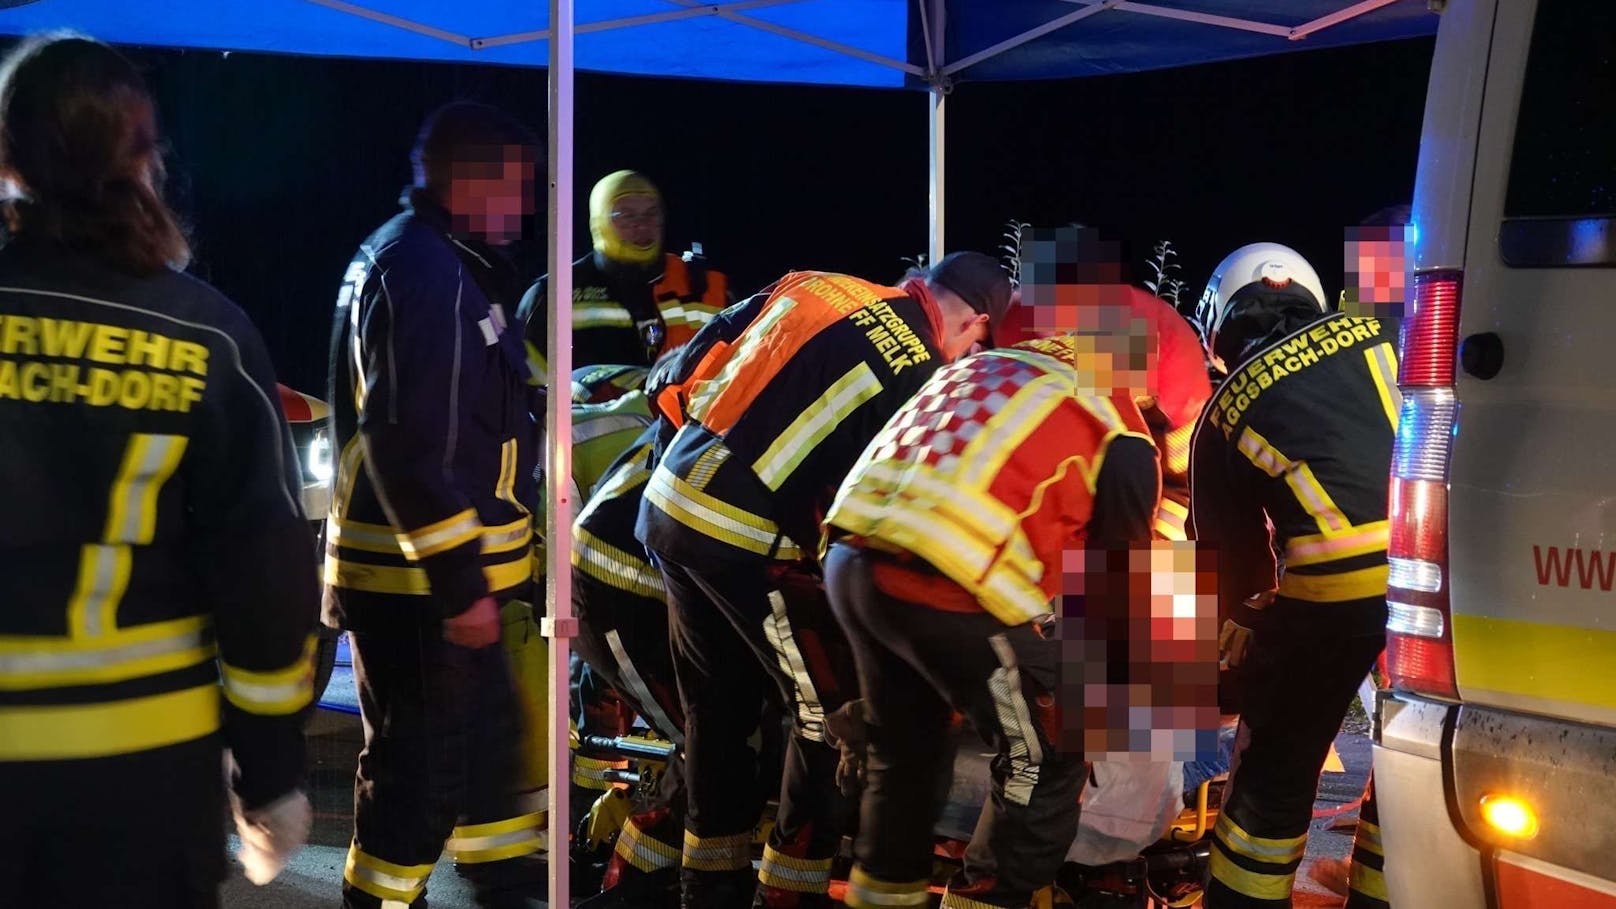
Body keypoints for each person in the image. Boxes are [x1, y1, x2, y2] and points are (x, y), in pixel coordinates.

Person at [0, 33, 317, 908]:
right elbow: (265, 576)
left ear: (8, 156)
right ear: (145, 157)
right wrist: (272, 772)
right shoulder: (209, 336)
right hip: (144, 788)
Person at [636, 254, 1013, 908]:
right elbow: (885, 514)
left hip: (668, 504)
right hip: (746, 541)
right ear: (975, 323)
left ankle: (707, 889)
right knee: (826, 716)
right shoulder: (924, 376)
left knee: (717, 707)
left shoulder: (819, 285)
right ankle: (789, 890)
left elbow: (679, 369)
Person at [822, 270, 1208, 908]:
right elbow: (1119, 596)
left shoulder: (993, 367)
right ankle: (988, 898)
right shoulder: (1122, 430)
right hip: (949, 586)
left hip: (852, 564)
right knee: (1050, 747)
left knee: (907, 757)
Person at [323, 101, 545, 909]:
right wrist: (461, 585)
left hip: (440, 585)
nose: (525, 208)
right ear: (471, 180)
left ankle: (504, 882)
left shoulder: (423, 259)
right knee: (417, 779)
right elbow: (409, 445)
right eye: (517, 188)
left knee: (486, 762)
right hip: (425, 590)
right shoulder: (427, 275)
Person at [1188, 243, 1395, 909]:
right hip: (1443, 579)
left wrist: (1239, 634)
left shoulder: (1224, 409)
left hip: (1335, 597)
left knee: (1274, 773)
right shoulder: (1385, 332)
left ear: (1220, 324)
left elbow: (1234, 567)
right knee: (1407, 768)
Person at [518, 169, 731, 385]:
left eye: (651, 213)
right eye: (626, 215)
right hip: (589, 419)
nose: (642, 224)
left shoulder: (707, 287)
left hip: (687, 417)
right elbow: (526, 388)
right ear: (599, 222)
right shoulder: (554, 293)